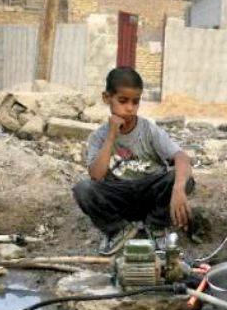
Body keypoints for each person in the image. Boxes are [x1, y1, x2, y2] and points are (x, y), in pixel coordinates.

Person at [73, 67, 194, 256]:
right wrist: (111, 136)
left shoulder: (148, 130)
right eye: (122, 101)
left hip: (150, 194)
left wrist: (178, 189)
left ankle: (156, 226)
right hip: (120, 197)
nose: (129, 108)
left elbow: (181, 157)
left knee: (182, 178)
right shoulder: (98, 137)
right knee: (83, 189)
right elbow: (96, 175)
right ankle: (119, 229)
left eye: (135, 102)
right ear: (107, 98)